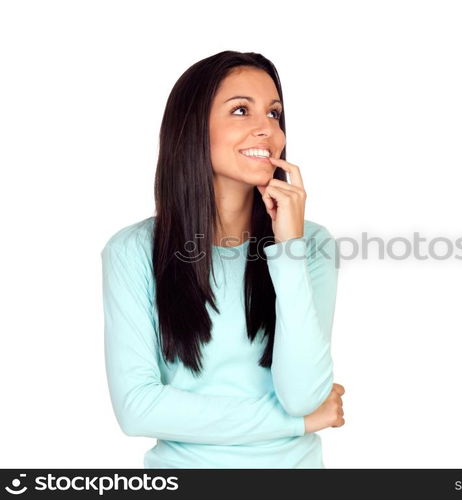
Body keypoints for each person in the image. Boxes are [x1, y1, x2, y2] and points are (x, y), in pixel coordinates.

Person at [100, 50, 345, 468]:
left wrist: (289, 249)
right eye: (240, 110)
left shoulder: (312, 244)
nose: (266, 128)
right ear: (193, 129)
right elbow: (138, 408)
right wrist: (295, 423)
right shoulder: (133, 250)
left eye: (273, 113)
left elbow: (303, 394)